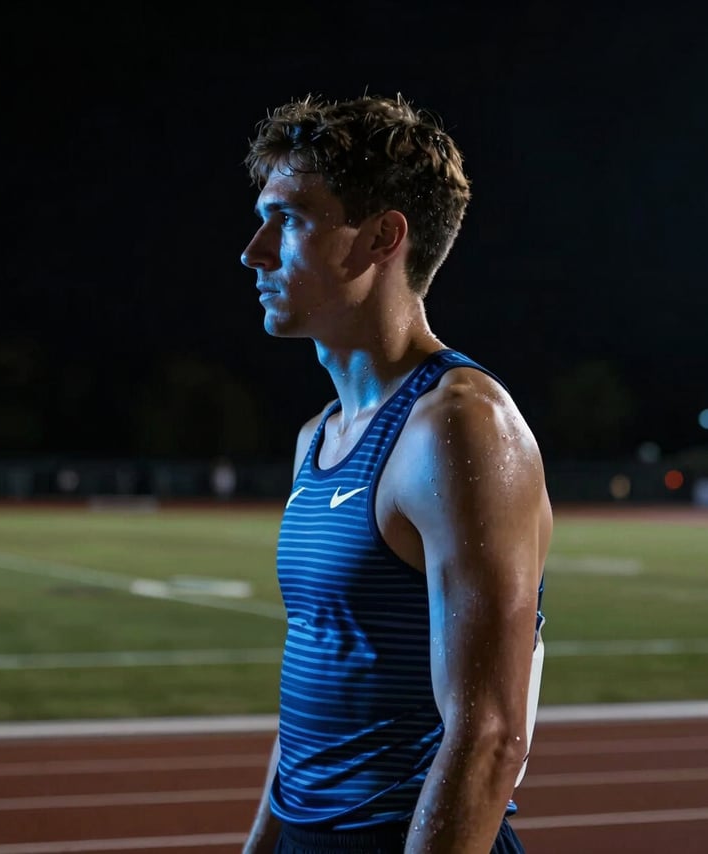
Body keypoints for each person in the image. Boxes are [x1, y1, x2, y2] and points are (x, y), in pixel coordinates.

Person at [239, 92, 552, 854]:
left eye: (288, 219)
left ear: (382, 236)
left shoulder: (457, 426)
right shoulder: (319, 435)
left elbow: (490, 737)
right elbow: (315, 683)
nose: (253, 250)